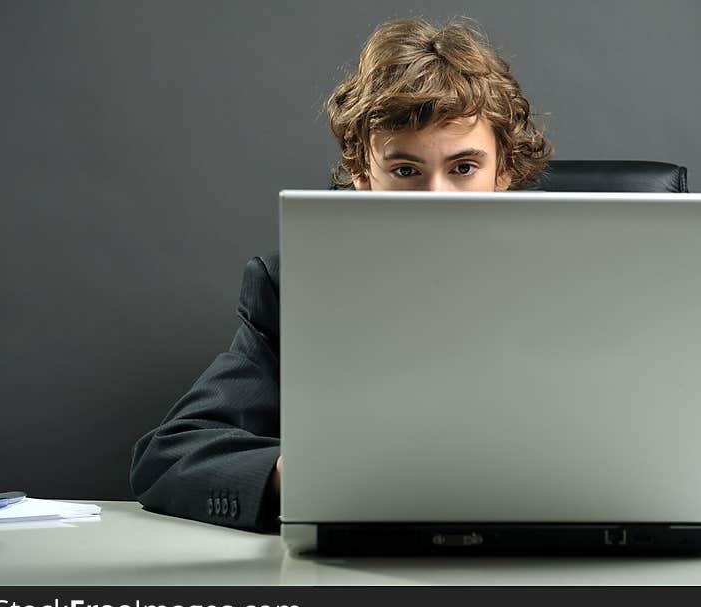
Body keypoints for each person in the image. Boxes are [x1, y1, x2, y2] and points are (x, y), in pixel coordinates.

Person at [129, 17, 552, 532]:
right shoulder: (293, 286)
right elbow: (168, 457)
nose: (437, 197)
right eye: (405, 171)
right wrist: (304, 473)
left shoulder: (588, 284)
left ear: (502, 172)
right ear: (361, 175)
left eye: (463, 168)